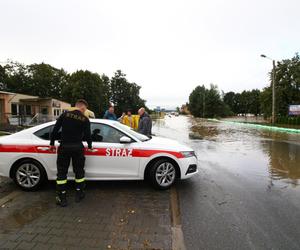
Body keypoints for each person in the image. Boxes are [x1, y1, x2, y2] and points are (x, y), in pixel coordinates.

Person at [50, 99, 92, 207]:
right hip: (78, 148)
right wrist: (90, 146)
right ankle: (79, 193)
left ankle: (62, 197)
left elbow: (55, 130)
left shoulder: (64, 115)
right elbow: (88, 135)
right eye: (85, 109)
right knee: (79, 172)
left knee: (62, 173)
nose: (85, 111)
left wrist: (51, 143)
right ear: (82, 107)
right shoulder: (85, 119)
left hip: (64, 147)